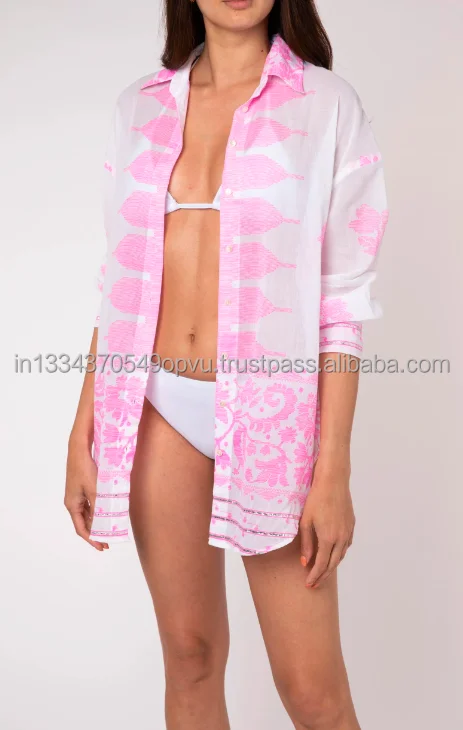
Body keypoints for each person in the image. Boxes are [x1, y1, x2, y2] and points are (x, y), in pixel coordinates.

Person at [65, 1, 388, 727]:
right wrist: (83, 431)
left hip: (274, 421)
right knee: (190, 657)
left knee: (313, 691)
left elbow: (343, 300)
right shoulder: (139, 107)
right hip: (155, 406)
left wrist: (332, 470)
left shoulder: (326, 105)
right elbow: (119, 282)